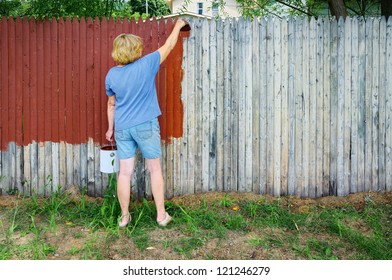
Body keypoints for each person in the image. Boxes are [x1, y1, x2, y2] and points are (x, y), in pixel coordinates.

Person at [105, 19, 188, 228]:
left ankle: (124, 217)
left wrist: (110, 129)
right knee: (154, 169)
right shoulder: (146, 64)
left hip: (123, 127)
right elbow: (169, 46)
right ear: (135, 50)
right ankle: (161, 215)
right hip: (145, 125)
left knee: (124, 173)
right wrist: (178, 25)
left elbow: (111, 104)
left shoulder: (111, 75)